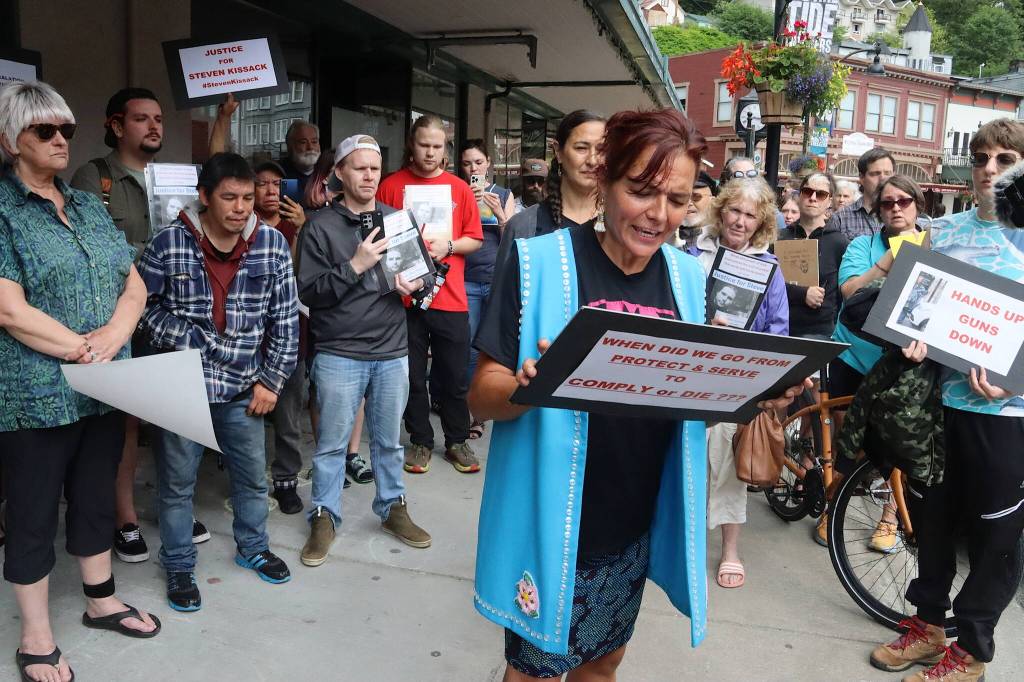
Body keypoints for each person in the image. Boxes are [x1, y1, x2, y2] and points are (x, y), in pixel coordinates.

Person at [470, 109, 805, 681]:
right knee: (532, 674)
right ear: (603, 179)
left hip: (635, 519)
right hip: (556, 516)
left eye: (677, 200)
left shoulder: (687, 278)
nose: (658, 216)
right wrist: (533, 385)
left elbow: (691, 399)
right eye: (641, 192)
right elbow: (481, 394)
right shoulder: (539, 263)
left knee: (604, 664)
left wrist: (757, 390)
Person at [0, 80, 160, 682]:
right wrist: (83, 349)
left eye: (67, 128)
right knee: (35, 509)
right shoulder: (1, 212)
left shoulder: (89, 203)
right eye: (45, 130)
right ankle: (36, 634)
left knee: (96, 494)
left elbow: (134, 285)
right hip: (33, 396)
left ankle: (100, 600)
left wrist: (113, 340)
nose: (61, 139)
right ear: (9, 141)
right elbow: (9, 310)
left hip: (102, 386)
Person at [868, 119, 1024, 682]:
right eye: (981, 156)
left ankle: (973, 652)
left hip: (1005, 415)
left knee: (994, 537)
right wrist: (911, 340)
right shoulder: (943, 232)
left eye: (1004, 159)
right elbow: (912, 308)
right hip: (940, 405)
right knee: (933, 522)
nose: (988, 168)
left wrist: (1017, 380)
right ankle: (928, 627)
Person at [71, 87, 230, 563]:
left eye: (158, 118)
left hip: (172, 317)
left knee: (172, 416)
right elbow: (89, 251)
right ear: (117, 125)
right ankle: (125, 517)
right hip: (120, 318)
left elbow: (218, 177)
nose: (154, 126)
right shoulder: (93, 178)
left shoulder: (176, 178)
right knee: (126, 423)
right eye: (142, 119)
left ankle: (173, 505)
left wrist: (222, 117)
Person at [138, 152, 298, 611]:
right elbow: (139, 308)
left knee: (251, 479)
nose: (241, 207)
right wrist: (190, 337)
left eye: (248, 197)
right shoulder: (169, 243)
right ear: (204, 196)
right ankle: (180, 564)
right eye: (229, 197)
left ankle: (253, 548)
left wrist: (272, 381)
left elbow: (285, 322)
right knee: (176, 486)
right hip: (182, 385)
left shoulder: (270, 244)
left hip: (245, 388)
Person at [297, 134, 433, 567]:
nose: (369, 176)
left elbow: (425, 279)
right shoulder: (319, 227)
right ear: (339, 172)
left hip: (392, 350)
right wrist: (355, 265)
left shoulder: (395, 219)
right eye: (359, 167)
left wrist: (417, 284)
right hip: (340, 351)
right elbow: (310, 293)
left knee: (389, 443)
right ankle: (324, 514)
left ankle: (393, 507)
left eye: (375, 168)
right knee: (332, 444)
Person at [687, 177, 789, 590]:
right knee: (688, 460)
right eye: (735, 211)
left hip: (738, 378)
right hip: (690, 373)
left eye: (750, 215)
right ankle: (687, 543)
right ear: (721, 209)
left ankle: (730, 550)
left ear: (760, 223)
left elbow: (780, 331)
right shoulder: (692, 256)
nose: (741, 221)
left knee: (730, 464)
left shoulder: (768, 268)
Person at [376, 114, 484, 475]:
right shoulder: (390, 186)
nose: (430, 153)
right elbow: (378, 238)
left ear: (445, 148)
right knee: (411, 376)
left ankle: (456, 439)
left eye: (438, 146)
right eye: (424, 145)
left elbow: (475, 239)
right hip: (402, 299)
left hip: (450, 296)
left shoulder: (460, 188)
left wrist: (448, 245)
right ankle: (420, 440)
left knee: (453, 376)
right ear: (412, 143)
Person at [824, 174, 927, 550]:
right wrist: (886, 261)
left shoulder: (934, 247)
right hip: (853, 353)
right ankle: (832, 507)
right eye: (888, 203)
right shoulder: (861, 246)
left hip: (902, 364)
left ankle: (889, 518)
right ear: (878, 209)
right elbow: (849, 291)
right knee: (847, 442)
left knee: (897, 444)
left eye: (904, 201)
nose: (896, 208)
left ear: (918, 204)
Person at [252, 160, 318, 514]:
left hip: (291, 326)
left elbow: (300, 276)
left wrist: (301, 231)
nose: (271, 190)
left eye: (278, 183)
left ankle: (286, 479)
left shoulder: (297, 226)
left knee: (290, 406)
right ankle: (246, 478)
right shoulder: (242, 226)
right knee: (245, 409)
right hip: (248, 329)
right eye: (262, 183)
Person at [495, 110, 606, 273]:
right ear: (558, 151)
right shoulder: (524, 226)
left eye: (602, 149)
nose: (592, 160)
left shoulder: (622, 225)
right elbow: (503, 296)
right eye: (581, 148)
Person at [459, 139, 516, 440]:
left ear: (489, 163)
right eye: (467, 163)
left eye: (478, 163)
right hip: (466, 277)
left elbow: (512, 238)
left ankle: (480, 409)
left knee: (489, 345)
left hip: (495, 278)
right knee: (468, 345)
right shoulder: (458, 193)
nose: (473, 169)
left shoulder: (503, 194)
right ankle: (473, 414)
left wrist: (501, 215)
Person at [776, 173, 849, 340]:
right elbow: (768, 282)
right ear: (800, 195)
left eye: (821, 194)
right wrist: (802, 294)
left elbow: (841, 295)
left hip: (820, 334)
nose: (813, 198)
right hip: (779, 327)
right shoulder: (778, 237)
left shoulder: (840, 242)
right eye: (808, 192)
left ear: (829, 201)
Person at [829, 147, 895, 241]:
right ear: (862, 178)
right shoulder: (840, 218)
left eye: (888, 173)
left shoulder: (905, 217)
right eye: (875, 174)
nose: (882, 179)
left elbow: (918, 255)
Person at [675, 170, 716, 250]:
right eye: (683, 197)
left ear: (712, 202)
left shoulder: (722, 243)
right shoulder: (664, 240)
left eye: (696, 197)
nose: (689, 203)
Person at [279, 120, 321, 196]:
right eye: (303, 142)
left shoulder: (326, 170)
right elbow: (291, 204)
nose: (310, 147)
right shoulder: (281, 173)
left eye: (314, 142)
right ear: (290, 146)